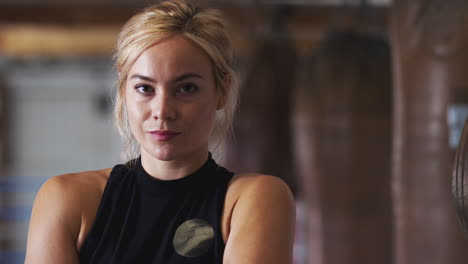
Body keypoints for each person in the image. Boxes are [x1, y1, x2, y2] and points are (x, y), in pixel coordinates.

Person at [24, 0, 295, 263]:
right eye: (145, 88)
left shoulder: (252, 199)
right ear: (123, 89)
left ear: (221, 91)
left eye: (186, 88)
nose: (163, 110)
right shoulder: (66, 200)